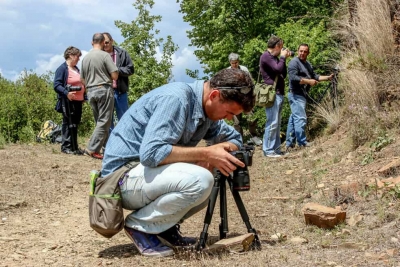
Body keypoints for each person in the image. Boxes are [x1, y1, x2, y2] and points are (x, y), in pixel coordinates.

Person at [101, 68, 255, 257]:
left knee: (207, 181)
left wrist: (222, 150)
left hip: (145, 176)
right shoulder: (177, 99)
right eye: (230, 112)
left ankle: (164, 228)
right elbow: (151, 154)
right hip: (119, 179)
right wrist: (207, 154)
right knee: (200, 180)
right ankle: (140, 226)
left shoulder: (207, 109)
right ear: (214, 95)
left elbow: (234, 138)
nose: (230, 118)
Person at [285, 44, 333, 150]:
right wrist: (308, 81)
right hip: (295, 94)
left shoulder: (307, 64)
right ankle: (302, 142)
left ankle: (289, 145)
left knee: (294, 119)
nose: (302, 53)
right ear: (298, 51)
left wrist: (328, 78)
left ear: (308, 53)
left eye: (305, 51)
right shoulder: (294, 62)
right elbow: (293, 77)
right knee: (300, 118)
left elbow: (314, 76)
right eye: (301, 51)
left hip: (302, 95)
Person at [80, 33, 119, 160]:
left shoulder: (85, 58)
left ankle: (107, 149)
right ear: (103, 42)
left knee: (99, 121)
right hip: (103, 89)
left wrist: (91, 86)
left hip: (90, 91)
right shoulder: (105, 55)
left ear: (92, 42)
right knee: (105, 121)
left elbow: (82, 79)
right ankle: (92, 148)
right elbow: (115, 76)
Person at [260, 36, 291, 157]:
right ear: (277, 46)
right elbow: (278, 69)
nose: (282, 49)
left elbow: (283, 72)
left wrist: (283, 59)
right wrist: (283, 57)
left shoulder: (274, 58)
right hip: (272, 95)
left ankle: (276, 149)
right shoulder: (266, 56)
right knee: (272, 123)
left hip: (279, 93)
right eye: (281, 47)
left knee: (277, 124)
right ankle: (268, 150)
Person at [53, 46, 85, 155]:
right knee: (68, 123)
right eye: (77, 56)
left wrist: (84, 96)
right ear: (70, 56)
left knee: (75, 123)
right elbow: (57, 85)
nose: (78, 59)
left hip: (78, 101)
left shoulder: (76, 69)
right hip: (68, 101)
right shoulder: (62, 69)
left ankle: (74, 146)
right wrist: (67, 93)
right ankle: (66, 147)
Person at [227, 53, 262, 146]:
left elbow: (251, 82)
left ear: (238, 62)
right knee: (236, 122)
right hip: (234, 100)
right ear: (230, 62)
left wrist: (252, 96)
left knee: (251, 118)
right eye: (233, 63)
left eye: (236, 62)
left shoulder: (244, 69)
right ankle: (239, 140)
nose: (234, 64)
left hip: (246, 97)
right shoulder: (227, 72)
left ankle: (254, 136)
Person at [102, 32, 134, 130]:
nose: (105, 45)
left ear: (112, 41)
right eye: (103, 43)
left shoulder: (122, 53)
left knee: (124, 119)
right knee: (107, 121)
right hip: (105, 92)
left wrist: (116, 70)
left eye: (107, 42)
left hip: (120, 92)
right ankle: (110, 144)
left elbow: (130, 69)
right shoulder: (99, 55)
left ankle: (125, 142)